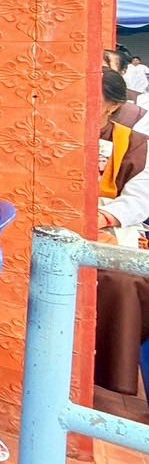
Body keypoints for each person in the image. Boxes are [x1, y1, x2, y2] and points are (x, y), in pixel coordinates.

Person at [94, 68, 149, 398]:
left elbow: (139, 200)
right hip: (57, 226)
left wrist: (103, 218)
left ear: (112, 106)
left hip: (112, 228)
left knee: (125, 280)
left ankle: (112, 376)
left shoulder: (135, 144)